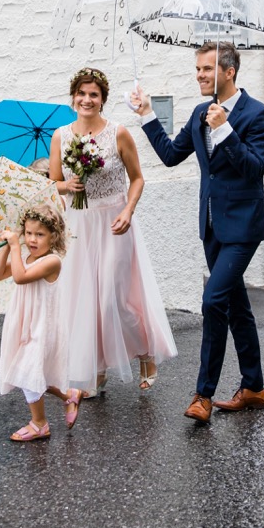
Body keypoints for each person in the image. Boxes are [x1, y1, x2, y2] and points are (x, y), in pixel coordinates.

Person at [130, 42, 264, 424]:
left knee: (213, 300)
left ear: (229, 71)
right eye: (197, 69)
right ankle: (254, 387)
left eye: (207, 69)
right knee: (236, 306)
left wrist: (224, 128)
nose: (199, 75)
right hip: (211, 225)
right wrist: (146, 115)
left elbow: (252, 169)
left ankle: (203, 395)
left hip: (244, 225)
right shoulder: (199, 113)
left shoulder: (260, 115)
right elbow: (170, 154)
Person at [50, 67, 177, 394]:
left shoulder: (118, 133)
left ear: (103, 99)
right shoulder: (60, 136)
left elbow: (137, 178)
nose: (87, 99)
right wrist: (67, 183)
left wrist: (128, 210)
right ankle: (98, 366)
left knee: (112, 299)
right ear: (73, 97)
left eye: (94, 94)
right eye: (81, 93)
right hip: (78, 224)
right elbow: (53, 184)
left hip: (115, 223)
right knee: (84, 301)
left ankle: (145, 352)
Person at [0, 204, 82, 441]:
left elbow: (20, 278)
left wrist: (14, 246)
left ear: (54, 236)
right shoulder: (27, 258)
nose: (32, 239)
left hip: (43, 325)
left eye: (40, 234)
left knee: (27, 370)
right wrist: (4, 249)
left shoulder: (52, 261)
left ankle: (40, 424)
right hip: (25, 323)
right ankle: (69, 395)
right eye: (29, 233)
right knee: (31, 373)